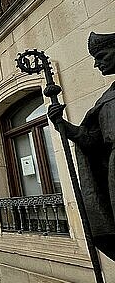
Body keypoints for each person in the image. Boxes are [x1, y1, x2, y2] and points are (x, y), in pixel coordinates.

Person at [47, 32, 115, 261]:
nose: (97, 63)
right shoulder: (107, 98)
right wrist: (62, 124)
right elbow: (90, 139)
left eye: (102, 55)